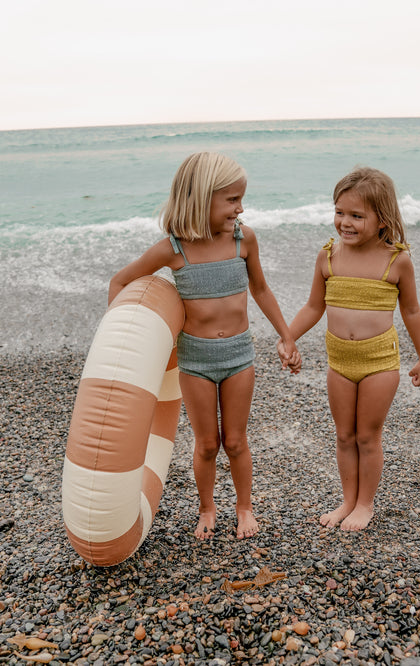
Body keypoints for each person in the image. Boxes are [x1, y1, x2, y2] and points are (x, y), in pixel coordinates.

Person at [109, 152, 300, 540]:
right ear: (200, 197)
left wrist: (286, 334)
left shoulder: (243, 239)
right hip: (194, 360)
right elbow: (120, 282)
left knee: (236, 439)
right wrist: (119, 342)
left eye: (240, 199)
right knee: (208, 443)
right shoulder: (173, 249)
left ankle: (244, 507)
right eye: (231, 200)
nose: (240, 207)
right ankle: (207, 507)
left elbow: (261, 289)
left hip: (238, 357)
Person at [281, 166, 420, 531]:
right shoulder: (328, 255)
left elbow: (411, 310)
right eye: (339, 212)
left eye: (356, 216)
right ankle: (347, 499)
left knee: (367, 435)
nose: (345, 223)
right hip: (339, 362)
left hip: (379, 362)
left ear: (382, 219)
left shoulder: (396, 259)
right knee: (344, 435)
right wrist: (289, 336)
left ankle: (366, 504)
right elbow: (314, 307)